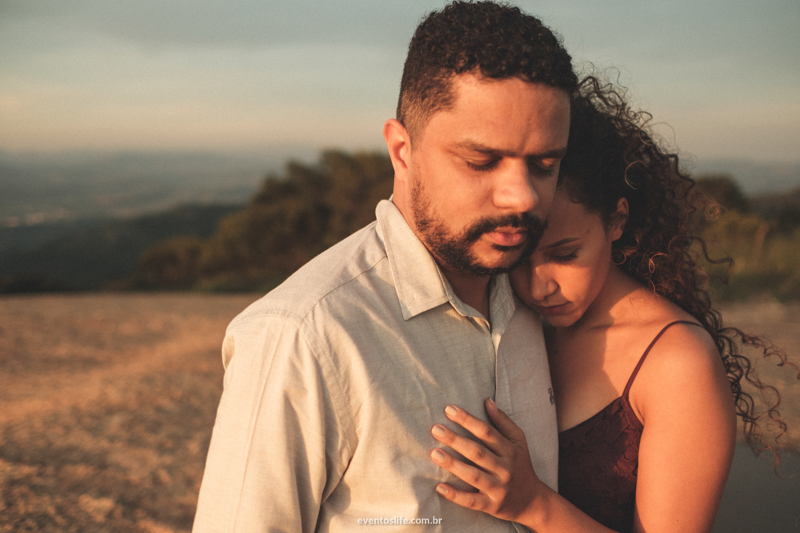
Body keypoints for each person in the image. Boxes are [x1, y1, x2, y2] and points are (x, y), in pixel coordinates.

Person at [192, 2, 577, 531]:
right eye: (481, 161)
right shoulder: (302, 336)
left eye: (545, 165)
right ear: (401, 150)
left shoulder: (545, 301)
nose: (522, 196)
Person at [427, 77, 796, 532]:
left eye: (566, 254)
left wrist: (533, 504)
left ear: (617, 220)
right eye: (520, 257)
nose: (539, 287)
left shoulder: (678, 362)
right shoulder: (511, 316)